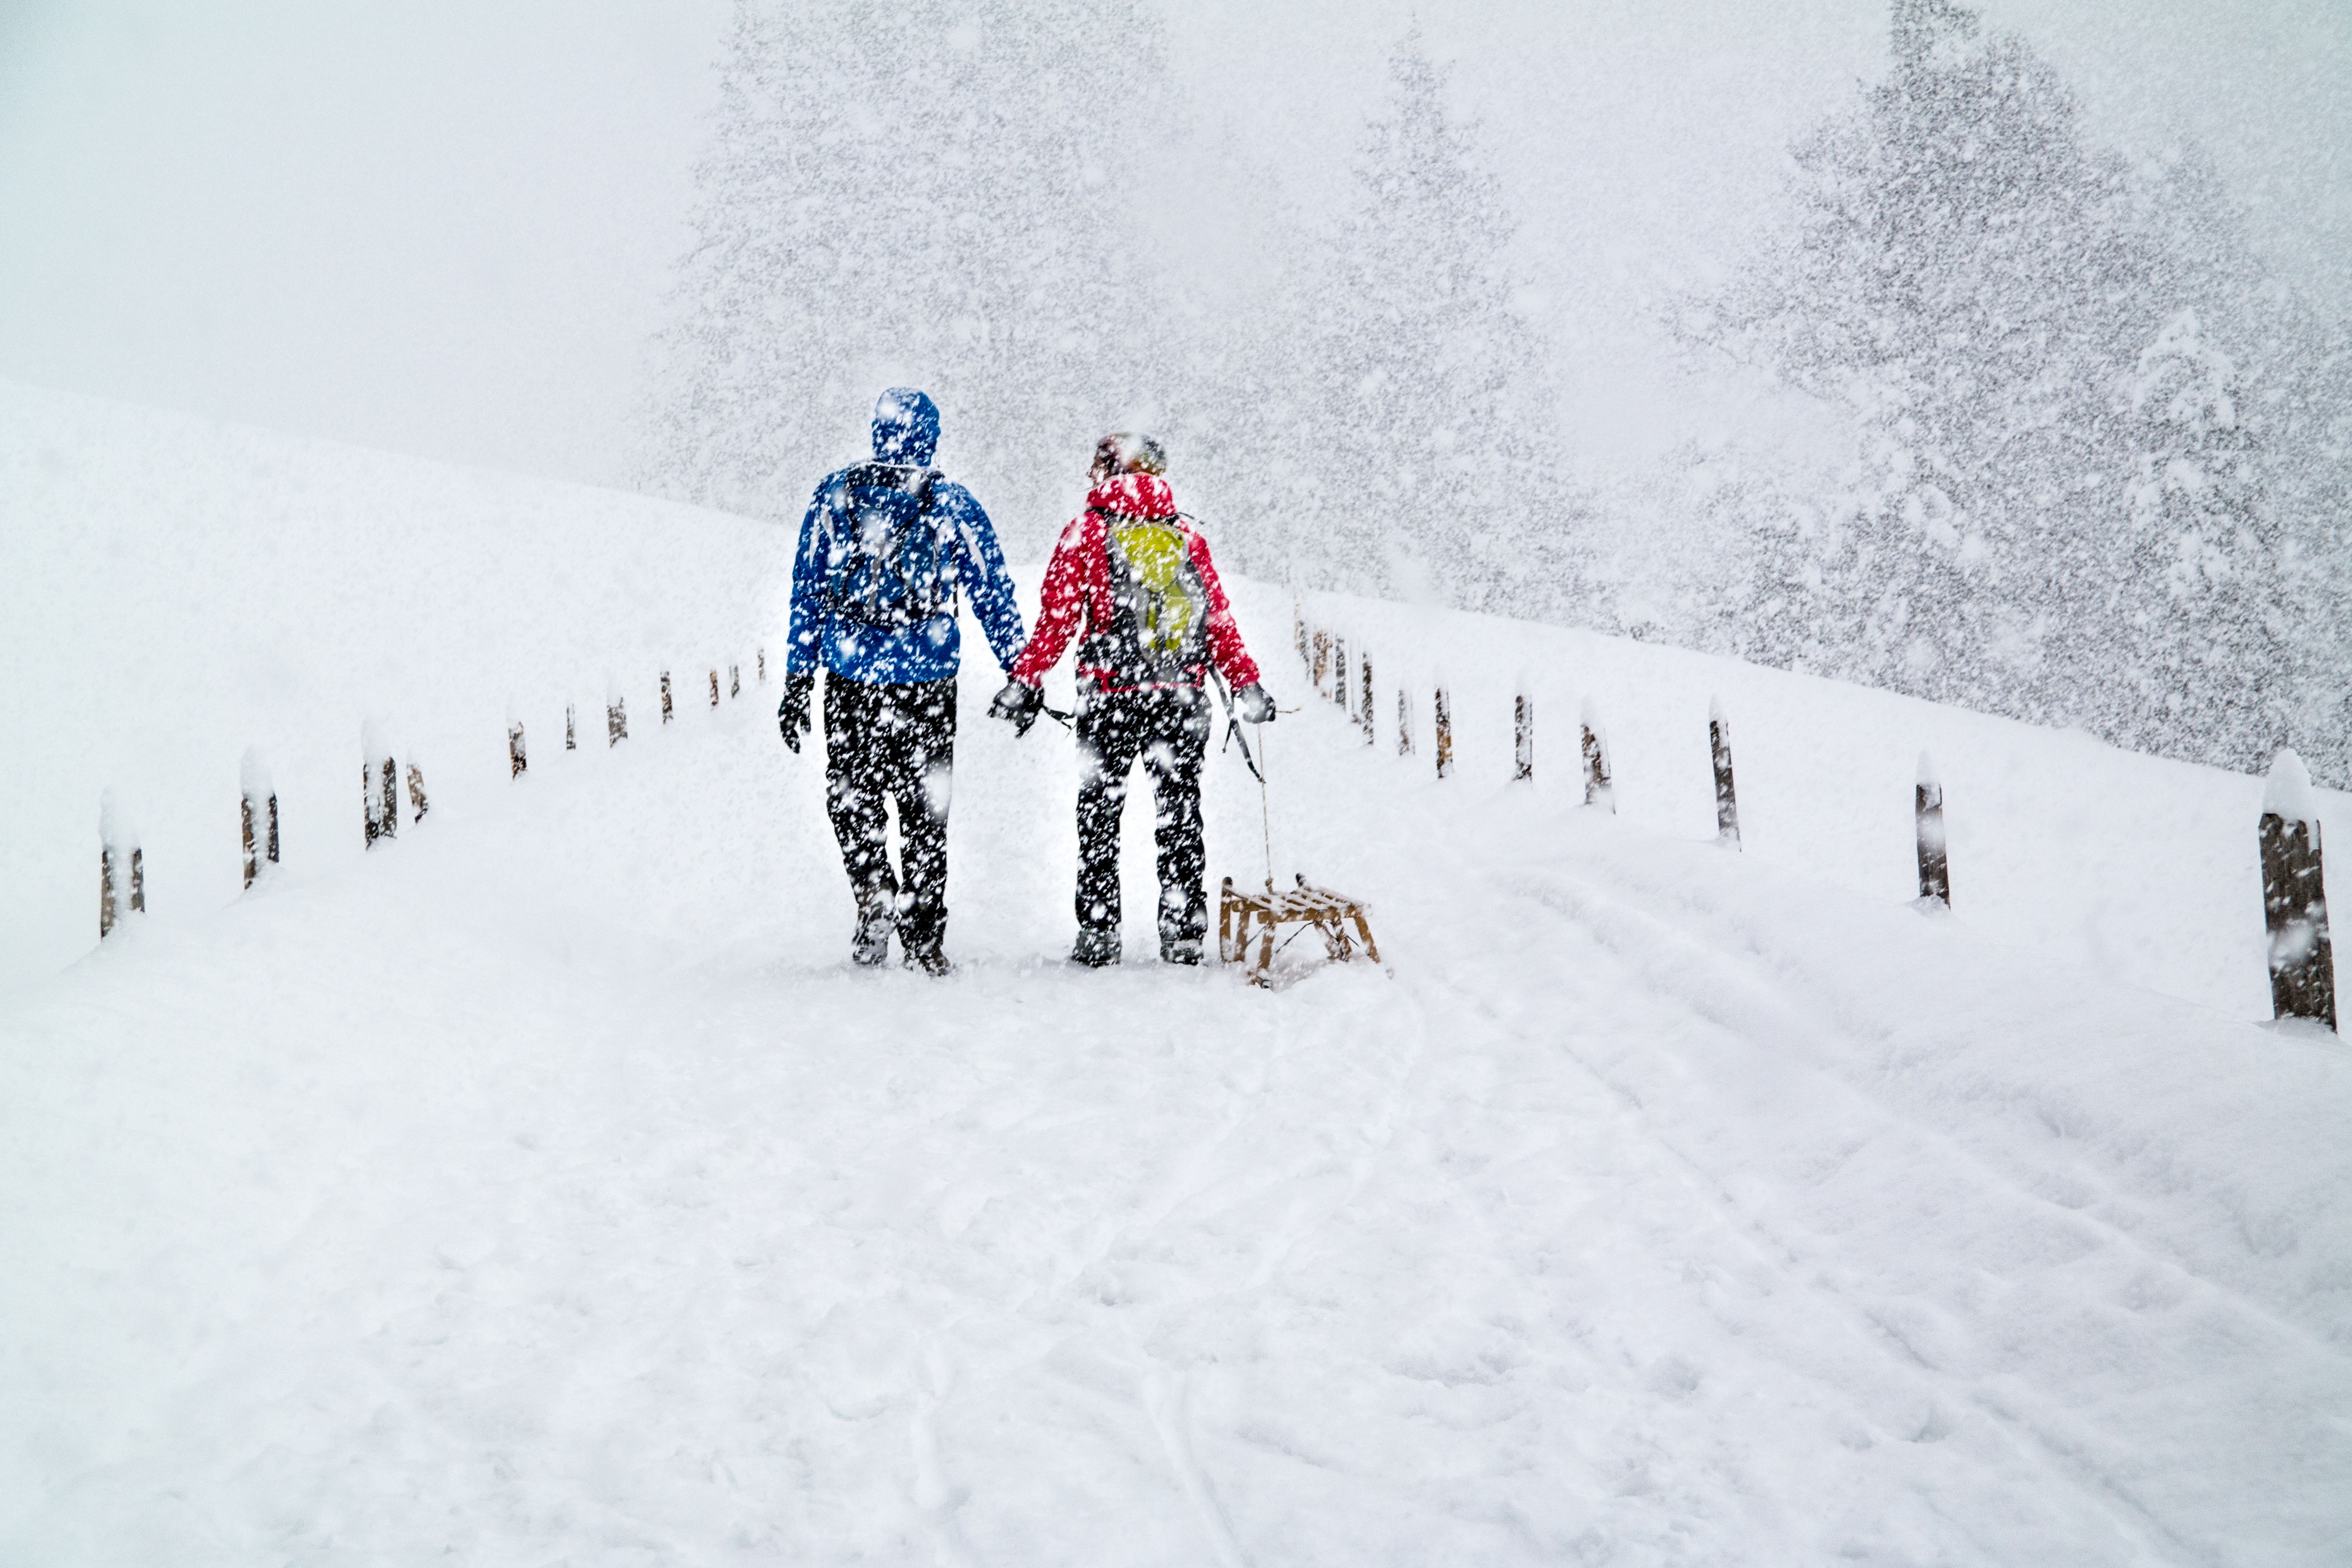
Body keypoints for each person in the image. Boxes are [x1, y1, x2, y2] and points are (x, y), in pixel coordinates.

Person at [988, 435, 1274, 967]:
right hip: (1181, 699)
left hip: (1109, 699)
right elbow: (1217, 623)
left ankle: (1099, 935)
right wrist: (1245, 683)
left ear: (1108, 470)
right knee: (1181, 815)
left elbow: (1057, 622)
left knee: (1100, 815)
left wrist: (1026, 681)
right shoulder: (1186, 535)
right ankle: (1183, 933)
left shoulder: (1086, 534)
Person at [780, 388, 1026, 974]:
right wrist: (1022, 671)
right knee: (925, 810)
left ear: (876, 431)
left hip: (848, 677)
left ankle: (874, 900)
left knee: (852, 797)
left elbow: (807, 592)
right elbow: (993, 592)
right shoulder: (951, 503)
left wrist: (797, 680)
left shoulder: (835, 495)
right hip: (927, 680)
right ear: (931, 438)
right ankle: (923, 938)